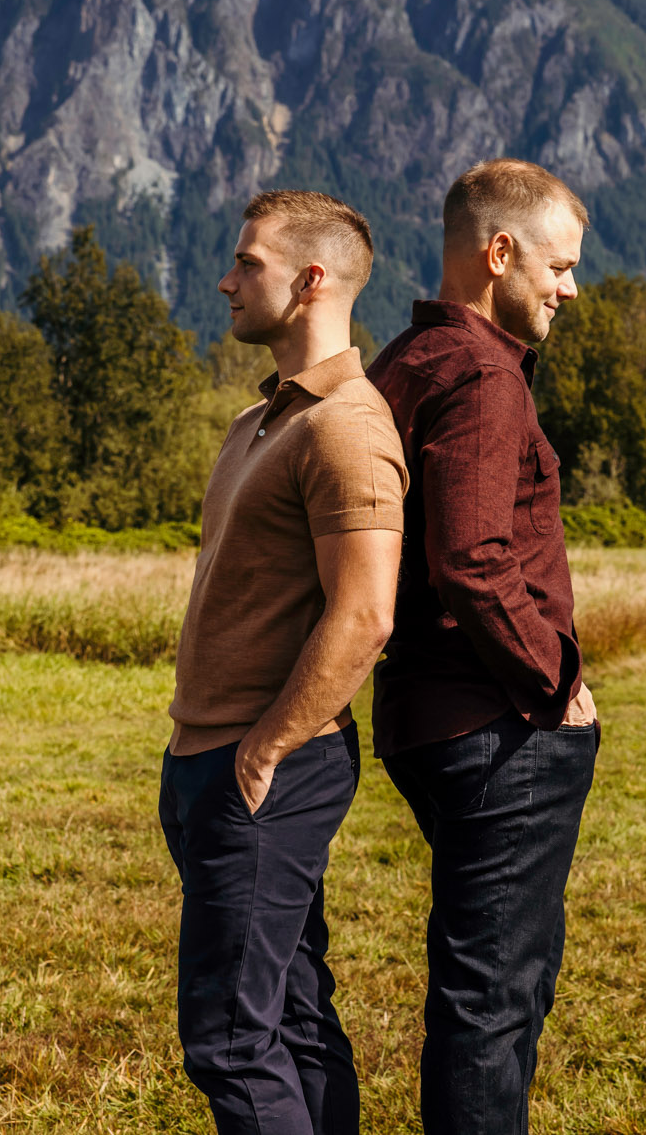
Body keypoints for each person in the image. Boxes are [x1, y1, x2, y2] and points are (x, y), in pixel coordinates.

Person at [159, 189, 407, 1134]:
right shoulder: (260, 423)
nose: (225, 280)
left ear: (310, 281)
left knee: (231, 1042)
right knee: (292, 1020)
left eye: (247, 263)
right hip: (209, 760)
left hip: (264, 771)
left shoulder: (346, 425)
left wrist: (263, 751)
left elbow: (366, 612)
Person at [364, 158, 598, 1134]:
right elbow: (469, 557)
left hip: (426, 716)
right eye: (558, 263)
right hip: (495, 728)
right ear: (498, 252)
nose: (569, 287)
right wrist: (555, 680)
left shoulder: (405, 360)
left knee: (493, 988)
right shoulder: (480, 375)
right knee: (492, 1006)